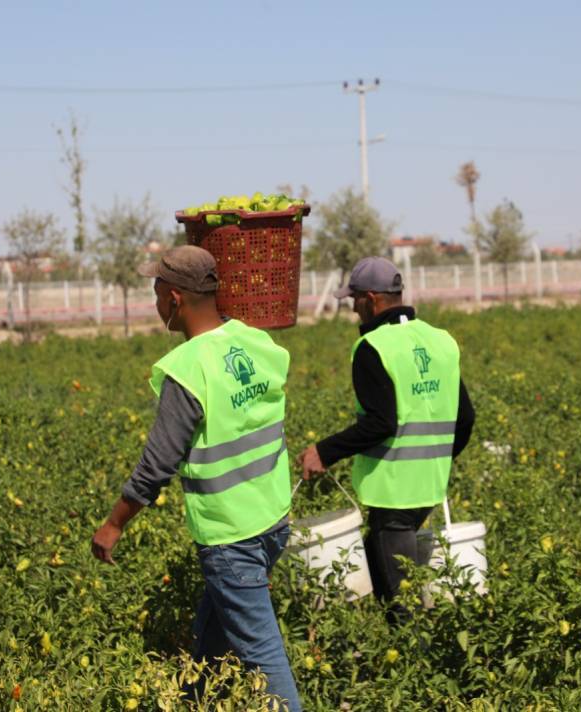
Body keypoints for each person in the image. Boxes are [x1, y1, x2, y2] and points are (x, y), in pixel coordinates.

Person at [91, 245, 301, 711]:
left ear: (173, 298)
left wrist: (114, 525)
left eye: (155, 293)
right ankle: (192, 702)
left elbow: (156, 465)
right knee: (213, 634)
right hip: (274, 519)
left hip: (232, 536)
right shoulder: (255, 342)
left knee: (264, 658)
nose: (155, 303)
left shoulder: (188, 369)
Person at [297, 256, 475, 622]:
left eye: (355, 300)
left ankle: (413, 668)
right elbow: (466, 418)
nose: (353, 308)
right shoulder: (440, 340)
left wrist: (324, 451)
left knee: (401, 604)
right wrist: (436, 458)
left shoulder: (373, 347)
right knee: (383, 575)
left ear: (373, 299)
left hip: (393, 490)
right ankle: (374, 653)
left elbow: (380, 423)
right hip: (428, 486)